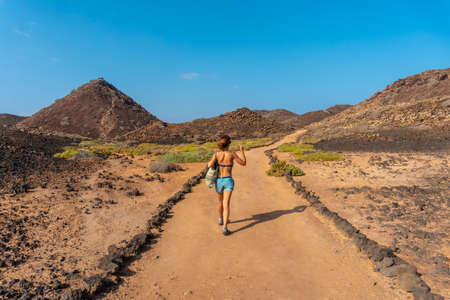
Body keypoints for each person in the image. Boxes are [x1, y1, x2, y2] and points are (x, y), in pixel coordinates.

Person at [207, 135, 246, 235]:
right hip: (228, 180)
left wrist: (214, 162)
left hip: (219, 180)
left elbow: (209, 165)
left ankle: (220, 219)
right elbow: (243, 163)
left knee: (220, 201)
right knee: (226, 204)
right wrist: (242, 151)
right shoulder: (232, 154)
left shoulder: (216, 154)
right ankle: (224, 227)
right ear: (229, 144)